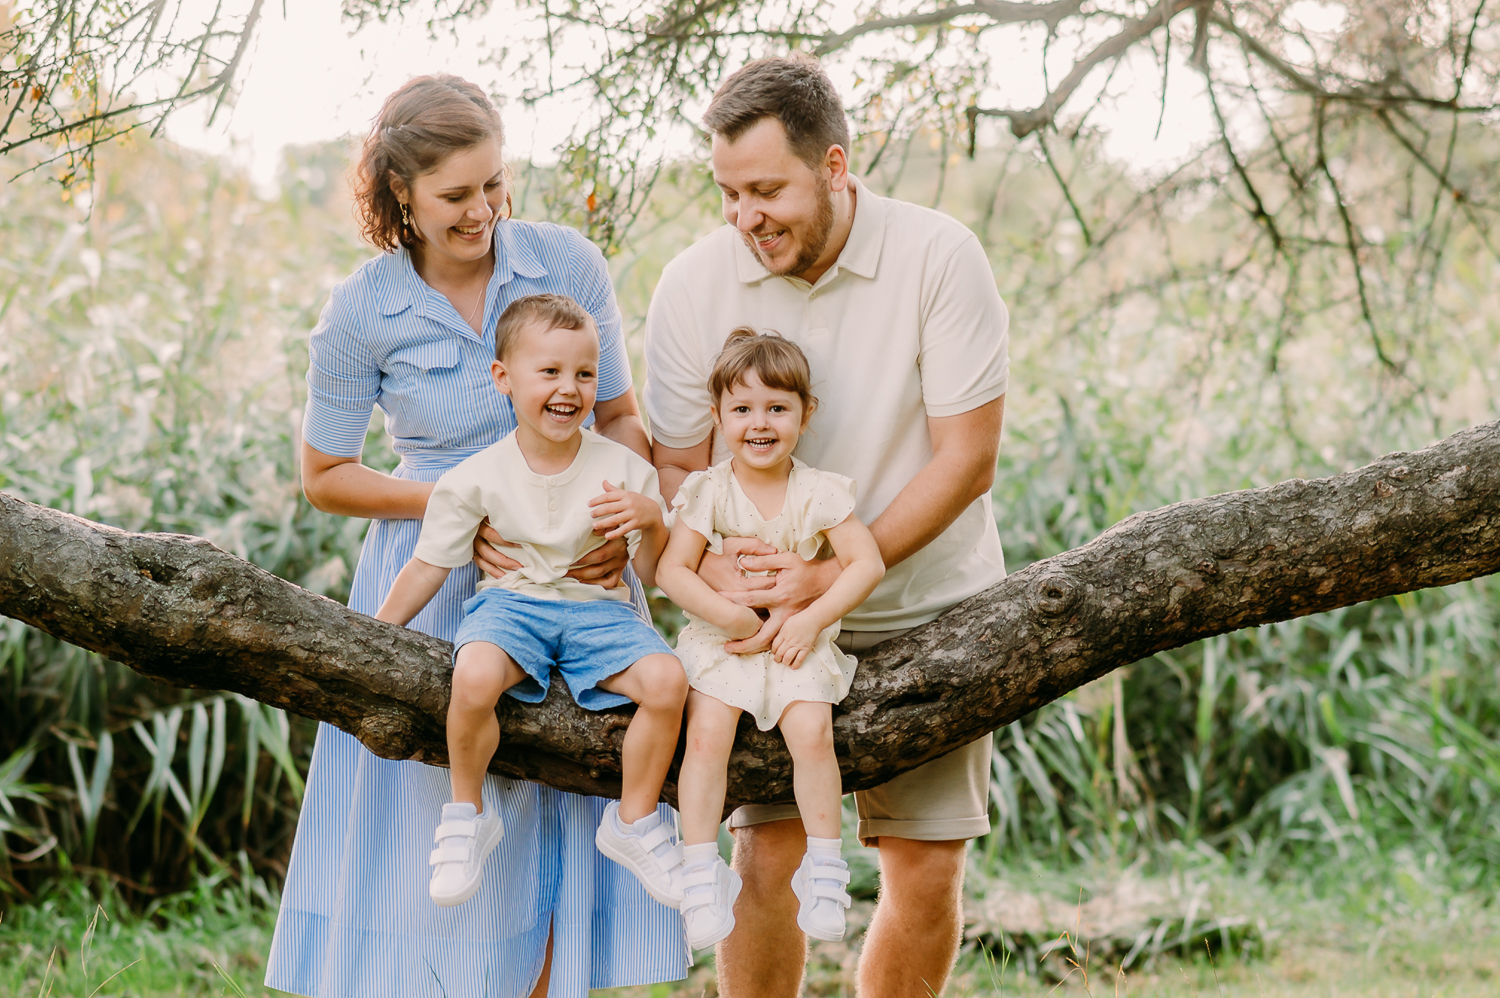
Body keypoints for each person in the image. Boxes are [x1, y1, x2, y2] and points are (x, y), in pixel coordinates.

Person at [266, 75, 686, 998]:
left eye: (495, 184)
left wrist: (617, 525)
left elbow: (618, 416)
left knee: (555, 842)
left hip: (579, 575)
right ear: (399, 194)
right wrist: (461, 506)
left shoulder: (565, 263)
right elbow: (325, 477)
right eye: (457, 195)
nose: (484, 211)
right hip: (439, 583)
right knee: (442, 859)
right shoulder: (361, 311)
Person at [644, 54, 1009, 997]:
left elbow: (966, 458)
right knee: (765, 861)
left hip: (927, 613)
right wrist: (732, 586)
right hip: (761, 633)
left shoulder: (938, 254)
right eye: (728, 193)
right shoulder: (691, 285)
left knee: (923, 875)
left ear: (836, 167)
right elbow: (680, 467)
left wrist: (838, 577)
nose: (744, 217)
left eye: (767, 189)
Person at [373, 293, 688, 909]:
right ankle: (466, 814)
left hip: (598, 611)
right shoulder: (475, 476)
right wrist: (377, 630)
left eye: (585, 373)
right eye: (549, 371)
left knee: (668, 681)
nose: (569, 388)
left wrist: (652, 523)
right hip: (512, 607)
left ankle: (634, 820)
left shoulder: (625, 470)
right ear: (503, 379)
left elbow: (652, 575)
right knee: (474, 675)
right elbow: (429, 562)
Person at [654, 328, 884, 951]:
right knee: (705, 737)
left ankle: (826, 868)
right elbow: (671, 569)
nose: (761, 423)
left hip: (793, 642)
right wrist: (731, 621)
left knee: (811, 734)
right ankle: (700, 870)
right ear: (718, 417)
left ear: (805, 415)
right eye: (743, 409)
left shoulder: (818, 492)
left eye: (778, 407)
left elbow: (866, 564)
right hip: (722, 641)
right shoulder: (707, 490)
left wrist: (809, 619)